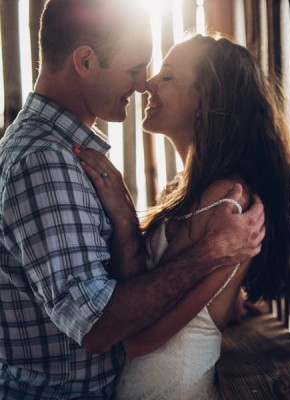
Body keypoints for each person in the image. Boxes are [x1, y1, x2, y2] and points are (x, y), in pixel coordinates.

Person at [0, 1, 265, 398]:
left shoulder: (65, 155)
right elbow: (98, 326)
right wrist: (211, 252)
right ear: (85, 61)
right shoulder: (46, 162)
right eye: (133, 68)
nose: (144, 83)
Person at [74, 34, 290, 399]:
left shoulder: (227, 199)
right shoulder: (190, 194)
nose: (147, 84)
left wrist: (126, 220)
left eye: (169, 76)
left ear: (204, 100)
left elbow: (140, 337)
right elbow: (158, 291)